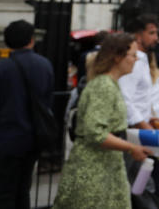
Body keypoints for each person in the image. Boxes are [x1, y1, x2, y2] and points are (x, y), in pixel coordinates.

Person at [54, 33, 150, 209]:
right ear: (117, 57)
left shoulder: (110, 84)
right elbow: (95, 132)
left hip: (106, 165)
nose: (136, 60)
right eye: (133, 55)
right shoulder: (102, 86)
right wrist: (131, 147)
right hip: (94, 169)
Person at [0, 19, 55, 209]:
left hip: (6, 139)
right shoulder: (44, 65)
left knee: (4, 192)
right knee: (24, 189)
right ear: (31, 40)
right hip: (34, 137)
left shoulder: (2, 67)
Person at [118, 14, 159, 208]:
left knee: (141, 183)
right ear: (137, 36)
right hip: (133, 132)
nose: (156, 38)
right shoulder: (134, 61)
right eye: (151, 33)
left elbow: (139, 98)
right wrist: (143, 125)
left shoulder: (142, 60)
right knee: (140, 185)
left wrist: (149, 118)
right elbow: (125, 99)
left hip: (139, 130)